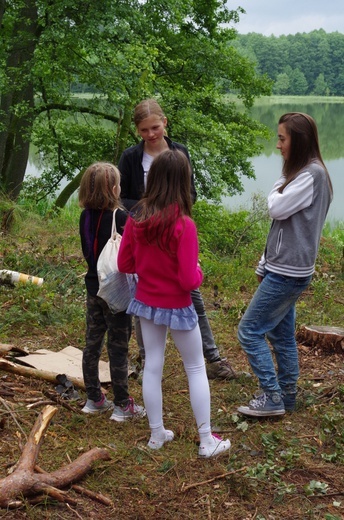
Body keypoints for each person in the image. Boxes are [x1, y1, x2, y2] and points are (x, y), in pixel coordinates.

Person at [118, 149, 231, 457]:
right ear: (184, 182)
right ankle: (207, 440)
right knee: (195, 367)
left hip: (145, 303)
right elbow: (187, 279)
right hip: (178, 306)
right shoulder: (184, 225)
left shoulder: (136, 219)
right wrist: (198, 272)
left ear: (151, 180)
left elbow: (125, 263)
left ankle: (156, 435)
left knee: (153, 365)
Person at [118, 98, 236, 380]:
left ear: (165, 122)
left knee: (192, 295)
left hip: (175, 232)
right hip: (144, 233)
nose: (151, 134)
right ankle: (148, 359)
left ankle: (213, 356)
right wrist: (149, 207)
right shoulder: (131, 158)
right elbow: (121, 198)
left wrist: (171, 210)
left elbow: (189, 193)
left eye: (155, 127)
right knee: (142, 299)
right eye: (144, 130)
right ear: (138, 131)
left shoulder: (179, 151)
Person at [237, 112, 333, 418]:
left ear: (299, 141)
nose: (278, 145)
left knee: (249, 331)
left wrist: (281, 179)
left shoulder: (310, 175)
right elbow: (285, 225)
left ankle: (272, 396)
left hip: (288, 272)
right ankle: (287, 395)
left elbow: (276, 208)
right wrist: (265, 262)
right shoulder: (308, 172)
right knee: (280, 335)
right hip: (286, 268)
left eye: (282, 138)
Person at [78, 161, 145, 421]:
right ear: (114, 189)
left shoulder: (85, 216)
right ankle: (122, 405)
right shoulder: (122, 217)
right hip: (116, 291)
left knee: (91, 344)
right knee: (118, 347)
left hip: (93, 288)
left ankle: (94, 398)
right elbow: (133, 255)